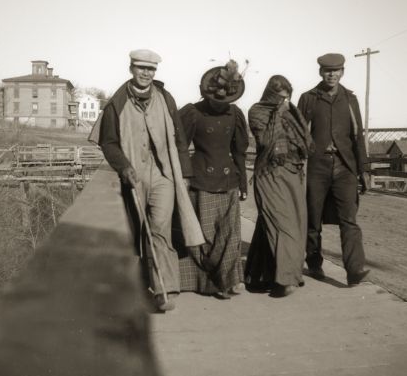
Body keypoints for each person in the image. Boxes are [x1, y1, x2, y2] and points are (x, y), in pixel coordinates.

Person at [91, 49, 204, 311]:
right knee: (139, 229)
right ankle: (144, 286)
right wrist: (123, 167)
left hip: (164, 174)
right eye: (141, 68)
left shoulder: (165, 98)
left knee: (160, 228)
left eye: (151, 69)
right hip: (135, 175)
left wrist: (184, 174)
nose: (146, 73)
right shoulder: (117, 102)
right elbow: (108, 143)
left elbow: (179, 139)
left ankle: (167, 291)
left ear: (156, 72)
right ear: (131, 68)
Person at [176, 60, 249, 299]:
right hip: (201, 181)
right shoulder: (192, 112)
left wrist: (243, 183)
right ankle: (211, 279)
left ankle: (229, 281)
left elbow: (239, 150)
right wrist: (184, 177)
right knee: (206, 234)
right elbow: (180, 146)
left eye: (226, 100)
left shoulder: (236, 114)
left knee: (230, 234)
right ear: (206, 92)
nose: (221, 103)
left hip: (228, 180)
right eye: (216, 98)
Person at [297, 53, 370, 287]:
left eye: (336, 70)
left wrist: (363, 169)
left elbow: (358, 137)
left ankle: (354, 269)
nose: (332, 74)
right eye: (328, 71)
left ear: (342, 73)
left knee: (349, 220)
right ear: (320, 72)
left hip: (344, 167)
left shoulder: (350, 99)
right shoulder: (308, 99)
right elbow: (299, 136)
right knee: (312, 219)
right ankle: (314, 262)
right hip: (315, 167)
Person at [245, 75, 314, 297]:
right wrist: (280, 114)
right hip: (270, 173)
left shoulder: (293, 113)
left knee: (293, 222)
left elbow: (304, 141)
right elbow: (265, 140)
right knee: (283, 225)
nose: (283, 102)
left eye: (286, 98)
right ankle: (287, 279)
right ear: (269, 95)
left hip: (293, 173)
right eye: (279, 98)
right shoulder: (257, 111)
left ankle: (259, 275)